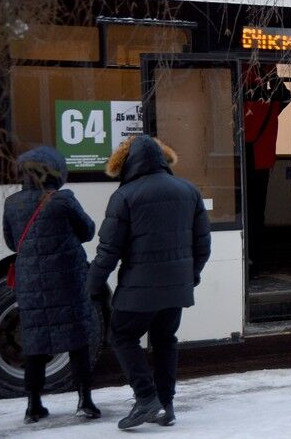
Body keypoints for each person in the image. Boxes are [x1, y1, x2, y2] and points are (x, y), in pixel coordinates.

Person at [87, 135, 211, 429]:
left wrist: (91, 286)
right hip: (177, 287)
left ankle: (146, 399)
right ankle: (166, 405)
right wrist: (190, 276)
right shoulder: (188, 190)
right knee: (165, 340)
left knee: (122, 336)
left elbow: (108, 251)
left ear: (127, 163)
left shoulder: (125, 196)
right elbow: (203, 245)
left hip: (139, 287)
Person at [2, 146, 100, 423]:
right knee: (78, 339)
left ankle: (33, 405)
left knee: (34, 341)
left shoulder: (12, 203)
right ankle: (85, 401)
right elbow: (88, 231)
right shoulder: (62, 199)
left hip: (30, 280)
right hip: (67, 278)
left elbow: (11, 242)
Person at [243, 63, 291, 269]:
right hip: (263, 163)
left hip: (243, 163)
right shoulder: (274, 103)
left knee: (242, 211)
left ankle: (246, 256)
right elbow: (287, 95)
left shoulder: (245, 105)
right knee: (257, 213)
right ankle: (256, 257)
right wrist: (274, 77)